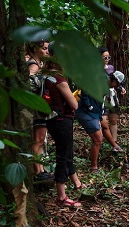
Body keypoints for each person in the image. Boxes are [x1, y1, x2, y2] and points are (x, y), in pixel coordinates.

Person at [42, 45, 84, 207]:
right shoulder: (59, 79)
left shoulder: (45, 76)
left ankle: (74, 183)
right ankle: (61, 196)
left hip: (50, 119)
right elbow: (74, 104)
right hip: (62, 119)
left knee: (66, 152)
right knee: (63, 155)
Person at [26, 40, 52, 183]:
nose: (47, 51)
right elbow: (29, 82)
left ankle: (41, 170)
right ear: (35, 49)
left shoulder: (38, 64)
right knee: (38, 140)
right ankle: (37, 171)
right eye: (44, 48)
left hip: (39, 107)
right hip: (36, 107)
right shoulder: (34, 65)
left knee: (40, 140)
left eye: (47, 49)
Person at [99, 46, 123, 151]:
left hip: (112, 96)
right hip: (101, 97)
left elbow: (115, 81)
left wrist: (120, 88)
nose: (107, 60)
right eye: (105, 57)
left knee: (113, 120)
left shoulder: (111, 68)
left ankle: (115, 143)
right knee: (102, 120)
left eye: (108, 57)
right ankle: (99, 141)